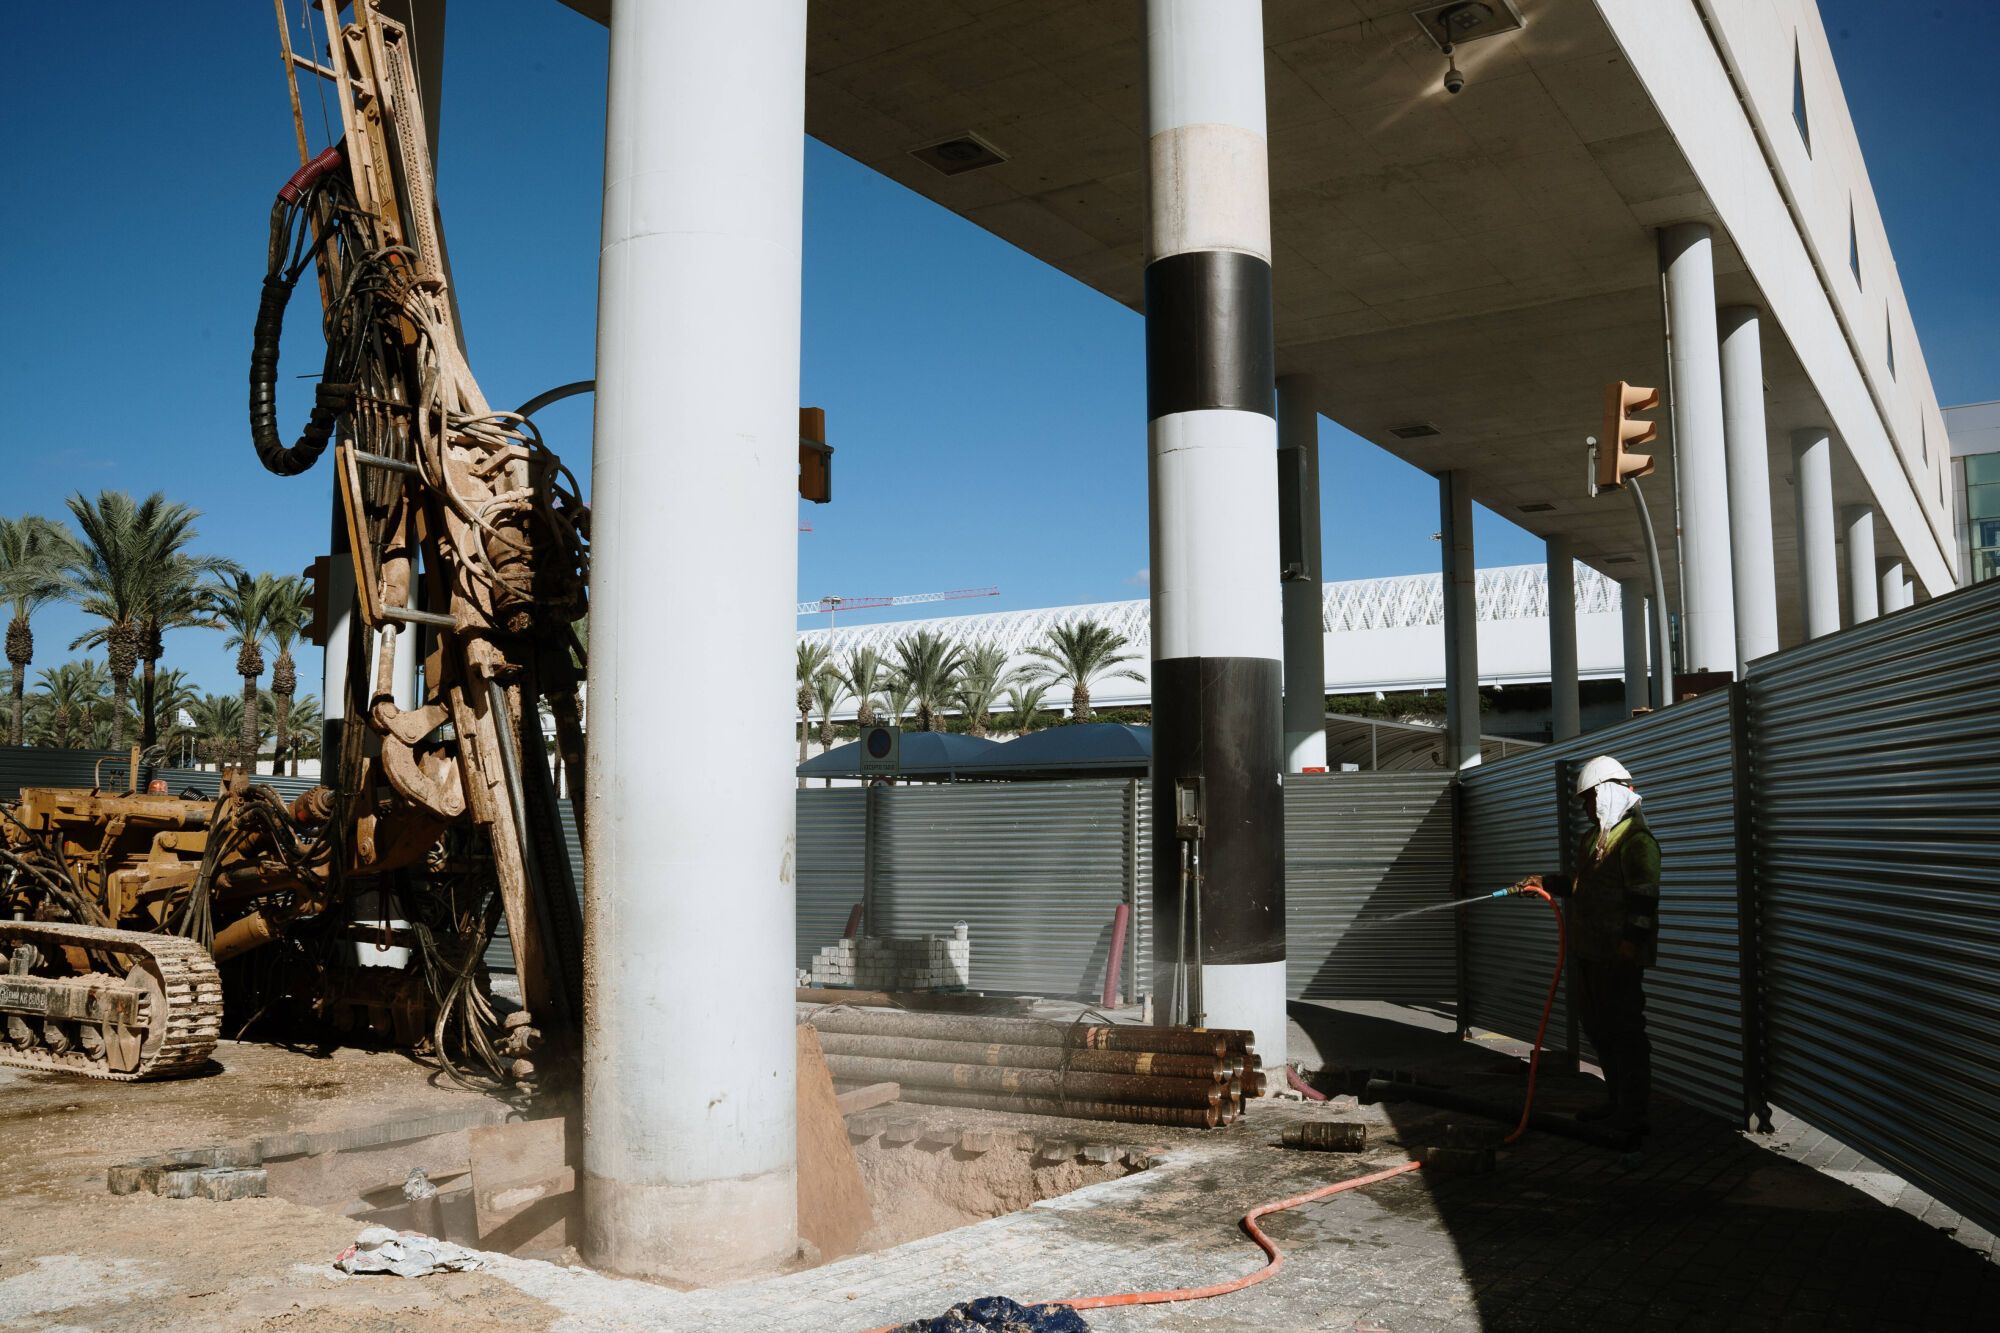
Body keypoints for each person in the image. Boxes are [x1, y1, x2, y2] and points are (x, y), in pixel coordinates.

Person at [1512, 754, 1660, 1135]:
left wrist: (1631, 943)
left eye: (1591, 800)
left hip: (1619, 957)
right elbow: (1580, 886)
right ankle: (1615, 1102)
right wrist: (1544, 882)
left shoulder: (1637, 841)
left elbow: (1644, 897)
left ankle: (1635, 1113)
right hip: (1591, 952)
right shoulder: (1594, 840)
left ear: (1609, 793)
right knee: (1598, 1027)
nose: (1588, 809)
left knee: (1625, 1031)